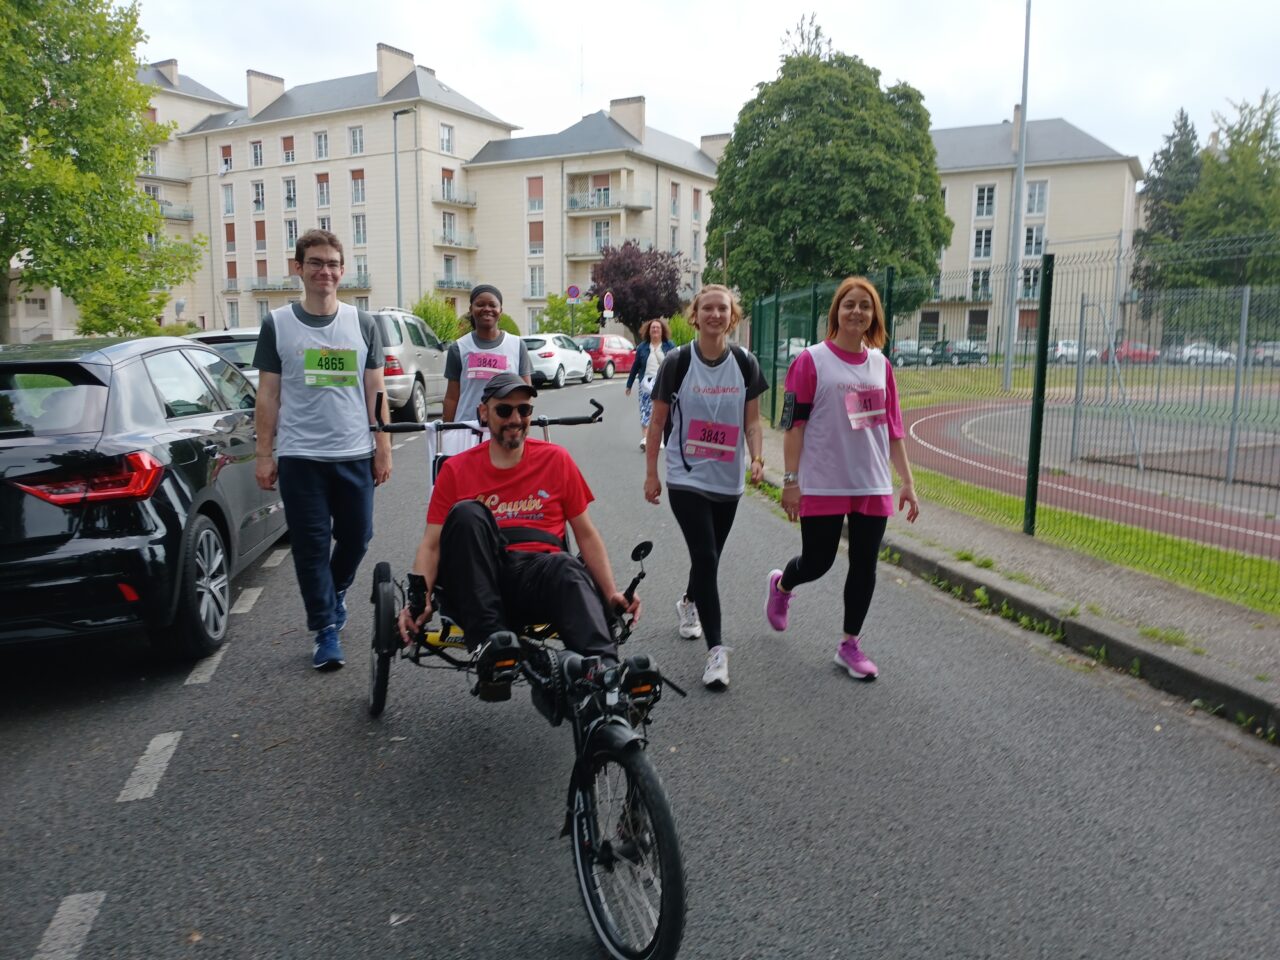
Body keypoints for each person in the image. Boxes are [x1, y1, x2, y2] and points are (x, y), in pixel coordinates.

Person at [398, 373, 641, 670]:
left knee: (567, 565)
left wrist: (611, 592)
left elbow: (586, 536)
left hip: (540, 576)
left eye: (524, 410)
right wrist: (420, 597)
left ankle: (606, 678)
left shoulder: (556, 460)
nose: (516, 418)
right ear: (484, 413)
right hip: (480, 578)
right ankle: (492, 643)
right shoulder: (455, 470)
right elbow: (432, 545)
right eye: (504, 410)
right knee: (466, 514)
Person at [763, 276, 920, 681]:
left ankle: (849, 644)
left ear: (874, 316)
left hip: (870, 482)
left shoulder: (881, 364)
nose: (857, 312)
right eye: (849, 304)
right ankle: (783, 585)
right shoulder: (811, 361)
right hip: (822, 481)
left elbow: (893, 428)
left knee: (864, 565)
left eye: (865, 306)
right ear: (836, 312)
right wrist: (791, 481)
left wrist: (907, 482)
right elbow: (792, 425)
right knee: (818, 561)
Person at [254, 228, 392, 671]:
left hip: (353, 452)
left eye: (332, 263)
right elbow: (268, 395)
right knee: (311, 546)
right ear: (299, 268)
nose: (325, 271)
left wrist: (382, 445)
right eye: (315, 263)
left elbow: (376, 388)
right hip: (300, 457)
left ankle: (335, 593)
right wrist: (264, 453)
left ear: (342, 270)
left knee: (358, 536)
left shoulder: (363, 323)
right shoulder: (278, 324)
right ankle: (325, 629)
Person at [644, 285, 767, 690]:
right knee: (707, 554)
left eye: (723, 308)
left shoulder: (746, 363)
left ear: (733, 316)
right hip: (686, 476)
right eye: (707, 308)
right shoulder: (678, 362)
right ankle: (716, 653)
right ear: (694, 315)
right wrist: (652, 473)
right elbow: (658, 423)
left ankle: (688, 602)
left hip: (727, 480)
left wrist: (757, 458)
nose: (715, 314)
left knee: (708, 558)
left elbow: (752, 421)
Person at [440, 284, 533, 423]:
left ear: (500, 311)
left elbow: (526, 395)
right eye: (480, 304)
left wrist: (522, 426)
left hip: (506, 428)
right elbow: (452, 397)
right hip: (467, 429)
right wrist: (447, 432)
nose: (487, 309)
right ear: (471, 309)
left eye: (492, 305)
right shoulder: (459, 348)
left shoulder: (517, 345)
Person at [625, 318, 676, 451]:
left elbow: (676, 364)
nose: (655, 330)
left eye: (657, 328)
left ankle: (660, 439)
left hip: (663, 382)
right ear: (649, 330)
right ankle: (646, 439)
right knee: (645, 411)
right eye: (653, 328)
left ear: (662, 331)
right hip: (645, 383)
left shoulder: (669, 346)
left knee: (662, 411)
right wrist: (629, 385)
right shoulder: (642, 347)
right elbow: (635, 366)